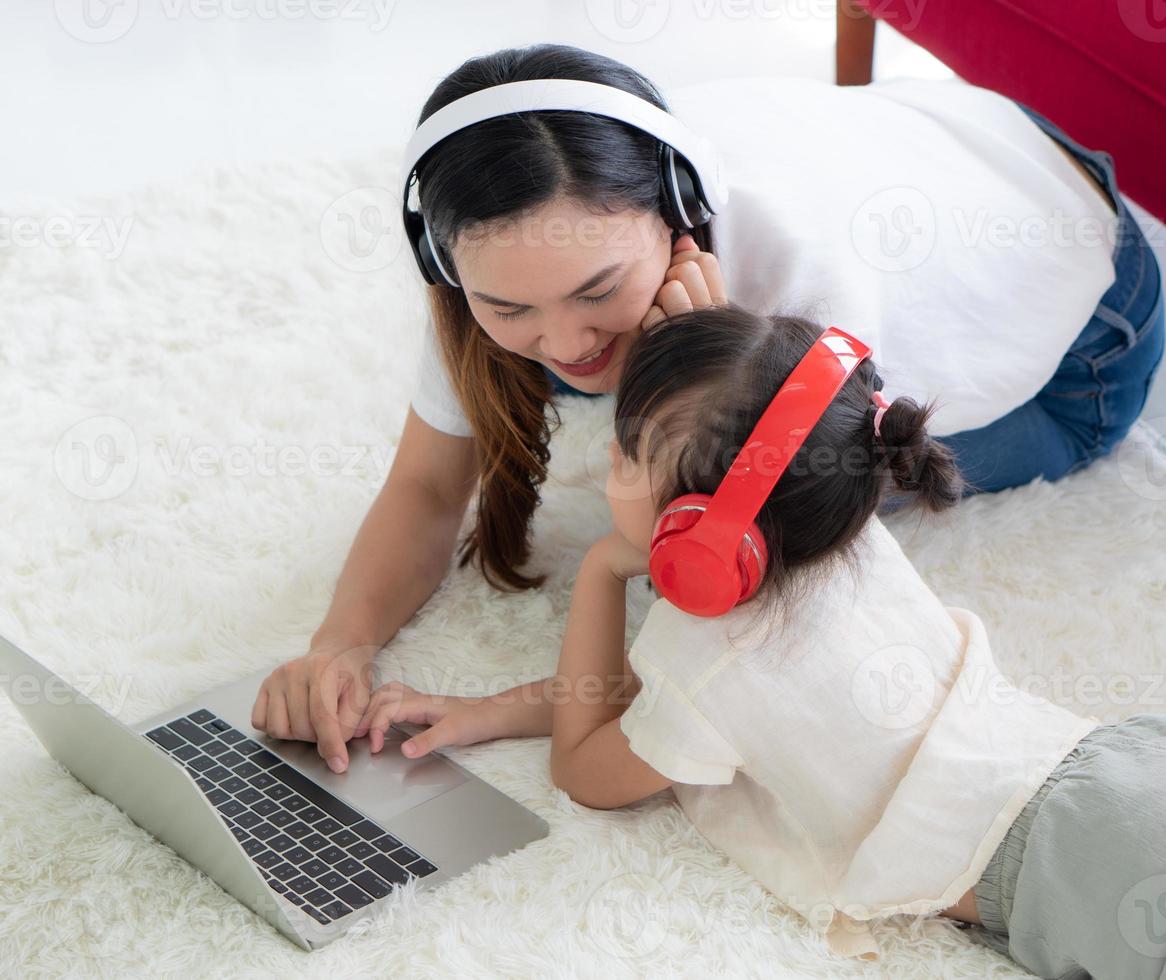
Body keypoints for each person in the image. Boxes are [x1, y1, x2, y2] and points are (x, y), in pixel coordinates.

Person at [250, 43, 1163, 776]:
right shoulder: (505, 263)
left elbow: (731, 624)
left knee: (792, 505)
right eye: (511, 312)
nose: (565, 343)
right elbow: (424, 486)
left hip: (1091, 316)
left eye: (596, 290)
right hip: (945, 139)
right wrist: (340, 646)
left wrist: (712, 352)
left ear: (680, 210)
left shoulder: (806, 281)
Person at [355, 303, 1166, 975]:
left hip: (1060, 868)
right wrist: (491, 711)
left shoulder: (706, 659)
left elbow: (586, 770)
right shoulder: (846, 539)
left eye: (626, 453)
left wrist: (604, 572)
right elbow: (670, 701)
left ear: (699, 529)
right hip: (1108, 762)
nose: (606, 458)